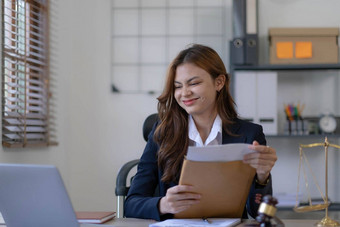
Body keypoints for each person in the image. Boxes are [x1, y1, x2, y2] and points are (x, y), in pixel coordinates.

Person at [124, 44, 277, 221]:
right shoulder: (162, 133)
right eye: (178, 86)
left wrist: (262, 177)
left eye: (194, 83)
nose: (185, 93)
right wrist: (163, 204)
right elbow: (131, 204)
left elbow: (260, 213)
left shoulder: (250, 134)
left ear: (219, 82)